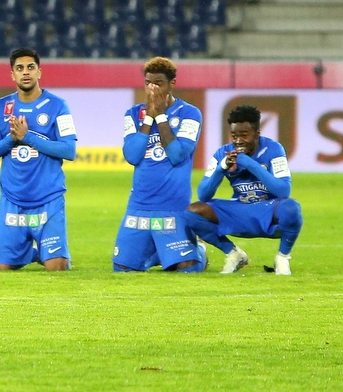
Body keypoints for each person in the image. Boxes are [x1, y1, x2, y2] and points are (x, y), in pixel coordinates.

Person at [0, 48, 77, 271]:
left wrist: (28, 137)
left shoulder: (58, 106)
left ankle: (51, 253)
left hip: (48, 199)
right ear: (12, 75)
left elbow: (69, 150)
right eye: (20, 68)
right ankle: (34, 252)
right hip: (13, 199)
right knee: (0, 269)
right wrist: (12, 141)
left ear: (39, 72)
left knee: (57, 268)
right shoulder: (1, 107)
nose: (26, 72)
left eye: (30, 67)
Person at [114, 57, 207, 273]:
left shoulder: (190, 113)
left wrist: (162, 117)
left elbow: (177, 155)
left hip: (172, 207)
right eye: (148, 83)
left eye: (158, 83)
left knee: (187, 270)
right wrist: (149, 119)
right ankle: (158, 253)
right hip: (140, 206)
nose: (152, 88)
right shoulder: (133, 114)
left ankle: (199, 251)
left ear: (172, 84)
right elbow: (132, 156)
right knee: (123, 270)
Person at [185, 105, 302, 275]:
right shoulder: (222, 154)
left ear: (257, 133)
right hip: (240, 210)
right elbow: (203, 195)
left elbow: (283, 191)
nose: (238, 140)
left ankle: (282, 258)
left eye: (244, 135)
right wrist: (221, 168)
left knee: (291, 208)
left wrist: (249, 163)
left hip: (268, 210)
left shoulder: (274, 150)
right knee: (192, 212)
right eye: (234, 135)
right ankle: (234, 254)